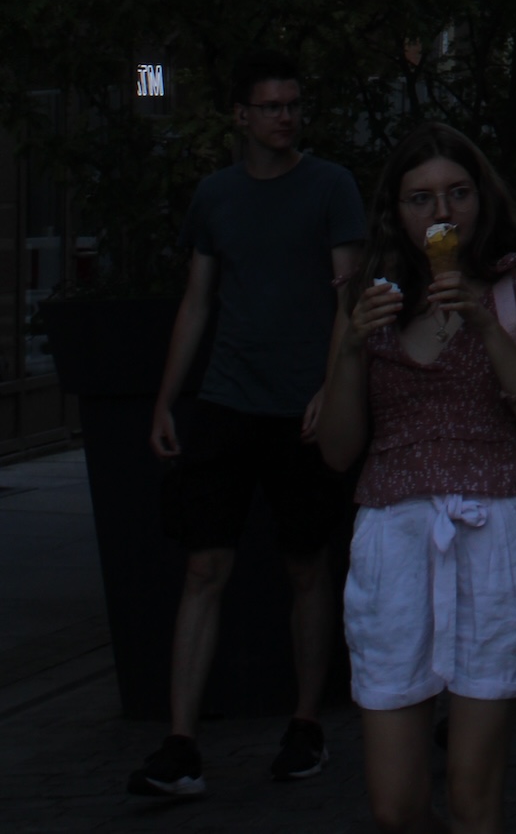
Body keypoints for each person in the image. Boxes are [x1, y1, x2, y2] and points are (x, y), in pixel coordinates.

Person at [314, 124, 516, 834]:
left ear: (481, 199)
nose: (441, 213)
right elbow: (337, 452)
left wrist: (489, 331)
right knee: (396, 807)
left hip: (494, 532)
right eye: (420, 198)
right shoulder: (370, 294)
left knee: (471, 798)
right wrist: (347, 351)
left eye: (457, 194)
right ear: (395, 211)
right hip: (392, 538)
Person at [130, 52, 366, 801]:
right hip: (227, 401)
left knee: (306, 563)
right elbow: (198, 301)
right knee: (204, 566)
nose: (284, 117)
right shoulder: (216, 196)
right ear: (241, 115)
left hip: (301, 405)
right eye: (269, 106)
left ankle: (305, 724)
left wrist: (332, 388)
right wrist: (168, 398)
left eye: (293, 104)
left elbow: (348, 298)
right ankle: (181, 742)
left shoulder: (330, 186)